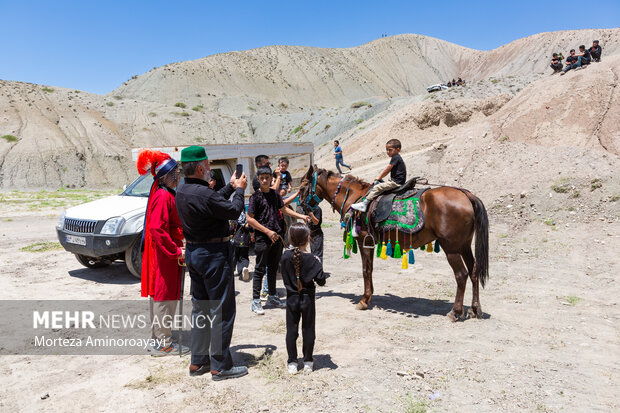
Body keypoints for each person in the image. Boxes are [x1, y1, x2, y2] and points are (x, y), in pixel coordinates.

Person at [175, 145, 249, 381]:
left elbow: (213, 202)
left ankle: (198, 361)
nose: (209, 169)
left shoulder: (183, 190)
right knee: (221, 310)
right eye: (207, 165)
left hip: (195, 253)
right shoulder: (203, 194)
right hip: (214, 254)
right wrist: (239, 191)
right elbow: (233, 210)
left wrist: (230, 186)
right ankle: (220, 365)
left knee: (201, 308)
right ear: (198, 167)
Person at [137, 149, 189, 356]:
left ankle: (160, 337)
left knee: (164, 298)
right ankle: (163, 343)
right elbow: (157, 229)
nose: (178, 176)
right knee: (163, 298)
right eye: (175, 172)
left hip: (166, 256)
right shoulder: (162, 196)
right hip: (164, 257)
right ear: (167, 175)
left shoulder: (165, 194)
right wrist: (176, 250)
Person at [247, 166, 310, 315]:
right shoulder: (255, 197)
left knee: (273, 268)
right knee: (260, 269)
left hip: (277, 237)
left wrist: (301, 217)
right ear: (258, 179)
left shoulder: (275, 195)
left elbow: (283, 209)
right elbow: (250, 219)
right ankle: (256, 300)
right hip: (263, 237)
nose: (264, 180)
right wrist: (267, 231)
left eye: (267, 178)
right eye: (261, 178)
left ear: (270, 179)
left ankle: (272, 296)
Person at [280, 222, 327, 374]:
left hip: (291, 299)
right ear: (308, 239)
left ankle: (292, 362)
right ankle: (307, 361)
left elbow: (282, 273)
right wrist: (318, 265)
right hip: (308, 299)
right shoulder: (313, 259)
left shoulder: (285, 257)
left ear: (290, 239)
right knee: (308, 329)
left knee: (291, 331)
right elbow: (321, 281)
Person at [351, 138, 407, 212]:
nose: (387, 152)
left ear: (398, 149)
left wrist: (379, 177)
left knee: (378, 187)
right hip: (396, 180)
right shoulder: (396, 157)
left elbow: (388, 169)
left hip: (396, 182)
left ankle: (364, 204)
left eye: (390, 150)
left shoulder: (395, 157)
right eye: (387, 150)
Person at [232, 209, 252, 282]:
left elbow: (231, 229)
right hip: (245, 241)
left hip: (236, 241)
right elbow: (252, 229)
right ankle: (243, 268)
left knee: (235, 257)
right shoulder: (247, 218)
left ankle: (233, 271)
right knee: (244, 257)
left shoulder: (234, 218)